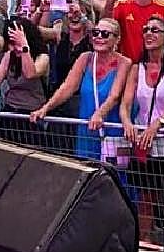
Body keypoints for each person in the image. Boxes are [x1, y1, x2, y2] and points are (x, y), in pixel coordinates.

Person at [119, 16, 164, 236]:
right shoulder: (136, 68)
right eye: (146, 30)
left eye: (155, 30)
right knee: (146, 196)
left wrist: (156, 125)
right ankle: (145, 243)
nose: (149, 34)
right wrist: (127, 122)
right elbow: (125, 104)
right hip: (145, 143)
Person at [31, 19, 130, 163]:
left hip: (112, 130)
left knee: (114, 175)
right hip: (87, 128)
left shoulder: (125, 63)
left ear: (117, 39)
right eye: (96, 33)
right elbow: (67, 87)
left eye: (105, 34)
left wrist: (99, 114)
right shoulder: (85, 58)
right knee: (86, 169)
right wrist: (45, 108)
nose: (99, 37)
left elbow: (114, 95)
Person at [0, 18, 49, 149]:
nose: (13, 47)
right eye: (11, 42)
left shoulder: (42, 57)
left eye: (15, 42)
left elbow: (30, 74)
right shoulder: (9, 55)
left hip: (32, 117)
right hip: (10, 113)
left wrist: (24, 47)